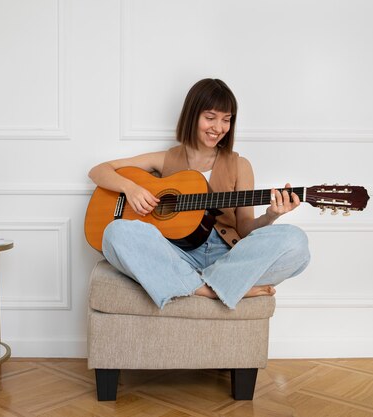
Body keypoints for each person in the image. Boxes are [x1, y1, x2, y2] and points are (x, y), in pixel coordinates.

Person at [88, 78, 310, 309]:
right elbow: (98, 171)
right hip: (175, 253)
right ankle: (210, 289)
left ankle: (194, 281)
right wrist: (131, 188)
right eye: (210, 117)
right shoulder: (166, 158)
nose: (219, 128)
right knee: (114, 233)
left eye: (226, 120)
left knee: (296, 242)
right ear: (193, 115)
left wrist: (270, 216)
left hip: (226, 256)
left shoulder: (240, 165)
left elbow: (244, 228)